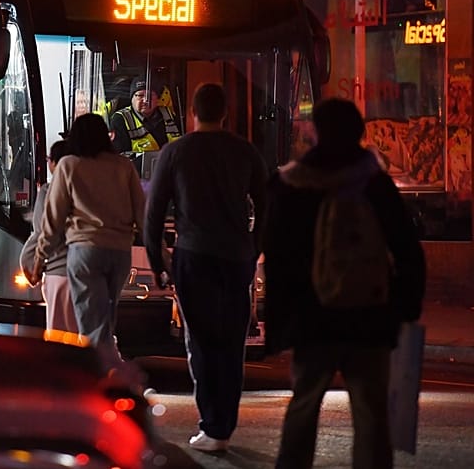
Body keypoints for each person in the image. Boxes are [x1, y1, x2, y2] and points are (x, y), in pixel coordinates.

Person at [263, 98, 426, 469]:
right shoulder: (375, 183)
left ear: (317, 131)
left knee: (304, 406)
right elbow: (406, 249)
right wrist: (403, 309)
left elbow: (278, 258)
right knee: (371, 414)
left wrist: (279, 324)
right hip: (369, 316)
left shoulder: (290, 185)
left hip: (312, 317)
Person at [144, 83, 268, 452]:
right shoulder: (245, 152)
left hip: (193, 256)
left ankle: (210, 424)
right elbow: (265, 205)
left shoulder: (175, 152)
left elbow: (153, 216)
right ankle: (222, 425)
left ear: (192, 113)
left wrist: (158, 261)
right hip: (235, 258)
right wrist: (254, 246)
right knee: (232, 343)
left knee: (200, 340)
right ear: (226, 113)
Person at [33, 113, 145, 370]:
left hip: (84, 251)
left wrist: (40, 257)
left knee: (91, 322)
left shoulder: (69, 165)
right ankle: (108, 373)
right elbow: (142, 212)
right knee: (106, 318)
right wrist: (159, 254)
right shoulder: (123, 167)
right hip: (119, 252)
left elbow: (53, 219)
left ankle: (100, 379)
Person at [20, 139, 76, 332]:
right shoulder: (90, 190)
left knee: (58, 336)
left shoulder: (48, 190)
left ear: (52, 162)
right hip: (88, 272)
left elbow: (42, 231)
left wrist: (29, 264)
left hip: (58, 273)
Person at [110, 76, 181, 154]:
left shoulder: (167, 113)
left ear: (157, 98)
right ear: (132, 98)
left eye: (150, 95)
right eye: (140, 96)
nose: (145, 100)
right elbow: (118, 157)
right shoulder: (120, 119)